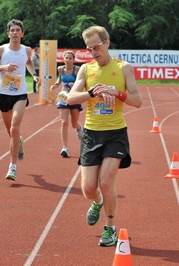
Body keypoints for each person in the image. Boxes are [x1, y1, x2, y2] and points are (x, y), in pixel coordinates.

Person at [67, 26, 142, 246]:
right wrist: (92, 93)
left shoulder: (123, 68)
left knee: (106, 183)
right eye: (89, 49)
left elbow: (137, 101)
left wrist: (115, 92)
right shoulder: (85, 70)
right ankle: (97, 202)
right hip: (91, 133)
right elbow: (71, 99)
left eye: (97, 47)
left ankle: (110, 228)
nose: (93, 52)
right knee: (89, 188)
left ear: (107, 43)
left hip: (115, 132)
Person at [0, 19, 41, 181]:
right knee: (11, 133)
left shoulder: (27, 50)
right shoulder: (1, 51)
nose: (15, 33)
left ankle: (12, 167)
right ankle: (19, 142)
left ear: (22, 33)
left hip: (20, 94)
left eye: (18, 30)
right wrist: (3, 67)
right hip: (4, 94)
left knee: (15, 129)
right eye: (12, 30)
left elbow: (28, 63)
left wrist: (34, 75)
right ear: (8, 33)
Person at [50, 51, 83, 158]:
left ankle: (78, 128)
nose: (68, 60)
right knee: (64, 122)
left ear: (73, 60)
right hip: (63, 96)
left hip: (74, 97)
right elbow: (60, 79)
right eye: (66, 58)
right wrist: (55, 85)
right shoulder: (60, 69)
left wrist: (75, 85)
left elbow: (82, 83)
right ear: (63, 59)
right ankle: (65, 147)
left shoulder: (77, 70)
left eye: (70, 58)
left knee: (73, 123)